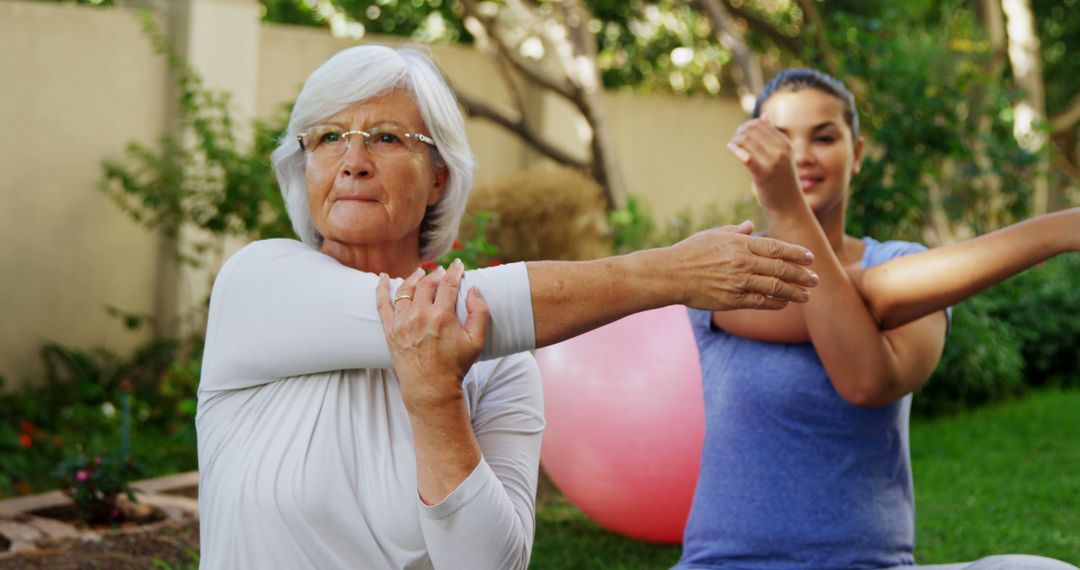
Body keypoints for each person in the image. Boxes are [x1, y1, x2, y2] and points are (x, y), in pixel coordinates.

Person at [195, 45, 820, 569]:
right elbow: (457, 308)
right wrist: (667, 272)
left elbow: (490, 565)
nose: (353, 161)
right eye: (328, 138)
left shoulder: (502, 366)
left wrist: (438, 401)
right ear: (303, 166)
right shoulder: (259, 282)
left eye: (386, 138)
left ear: (438, 176)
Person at [675, 68, 1079, 570]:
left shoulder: (903, 260)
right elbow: (854, 349)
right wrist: (1060, 230)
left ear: (858, 154)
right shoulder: (722, 264)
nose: (800, 155)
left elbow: (871, 379)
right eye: (780, 140)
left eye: (824, 137)